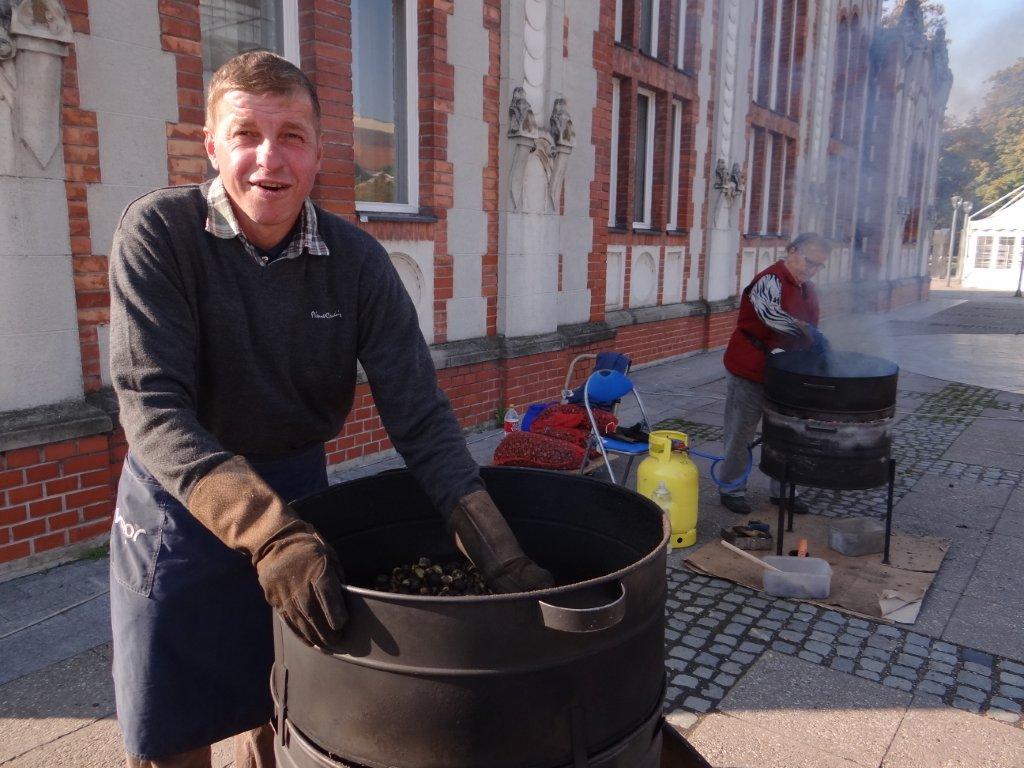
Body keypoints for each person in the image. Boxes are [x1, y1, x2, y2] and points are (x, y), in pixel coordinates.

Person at [107, 51, 552, 768]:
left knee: (285, 706)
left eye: (291, 135)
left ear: (319, 155)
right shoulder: (159, 234)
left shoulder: (356, 262)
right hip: (183, 511)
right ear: (212, 144)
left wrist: (498, 549)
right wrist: (266, 533)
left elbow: (420, 417)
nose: (267, 158)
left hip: (301, 499)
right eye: (246, 133)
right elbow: (153, 410)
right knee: (173, 737)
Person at [717, 232, 832, 515]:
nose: (812, 269)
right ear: (792, 251)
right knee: (741, 431)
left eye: (819, 266)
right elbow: (771, 316)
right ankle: (731, 488)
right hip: (750, 367)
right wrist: (809, 333)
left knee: (787, 431)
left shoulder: (808, 288)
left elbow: (811, 324)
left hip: (787, 371)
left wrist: (817, 348)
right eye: (809, 261)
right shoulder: (769, 279)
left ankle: (784, 491)